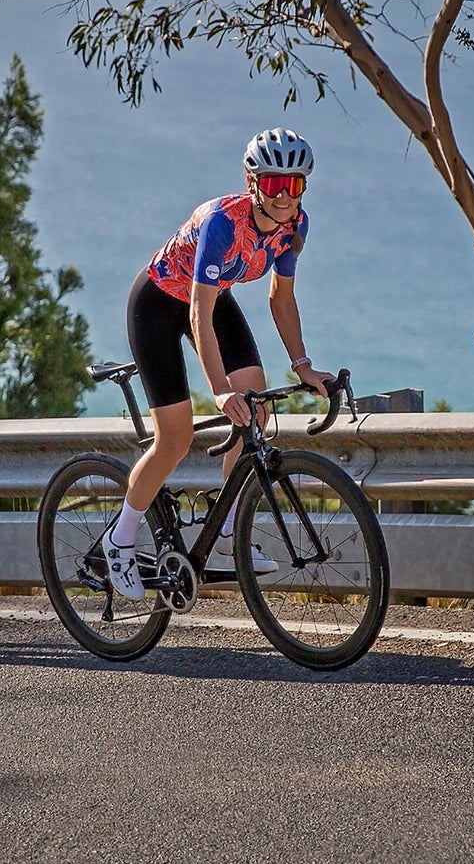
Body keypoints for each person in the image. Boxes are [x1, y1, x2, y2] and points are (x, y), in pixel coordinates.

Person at [105, 127, 334, 600]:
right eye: (274, 184)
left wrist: (303, 364)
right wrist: (219, 389)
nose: (285, 196)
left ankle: (230, 531)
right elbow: (198, 314)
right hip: (159, 304)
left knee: (257, 400)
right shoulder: (223, 224)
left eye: (294, 185)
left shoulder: (296, 227)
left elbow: (282, 298)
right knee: (176, 437)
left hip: (212, 300)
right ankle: (120, 539)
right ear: (254, 184)